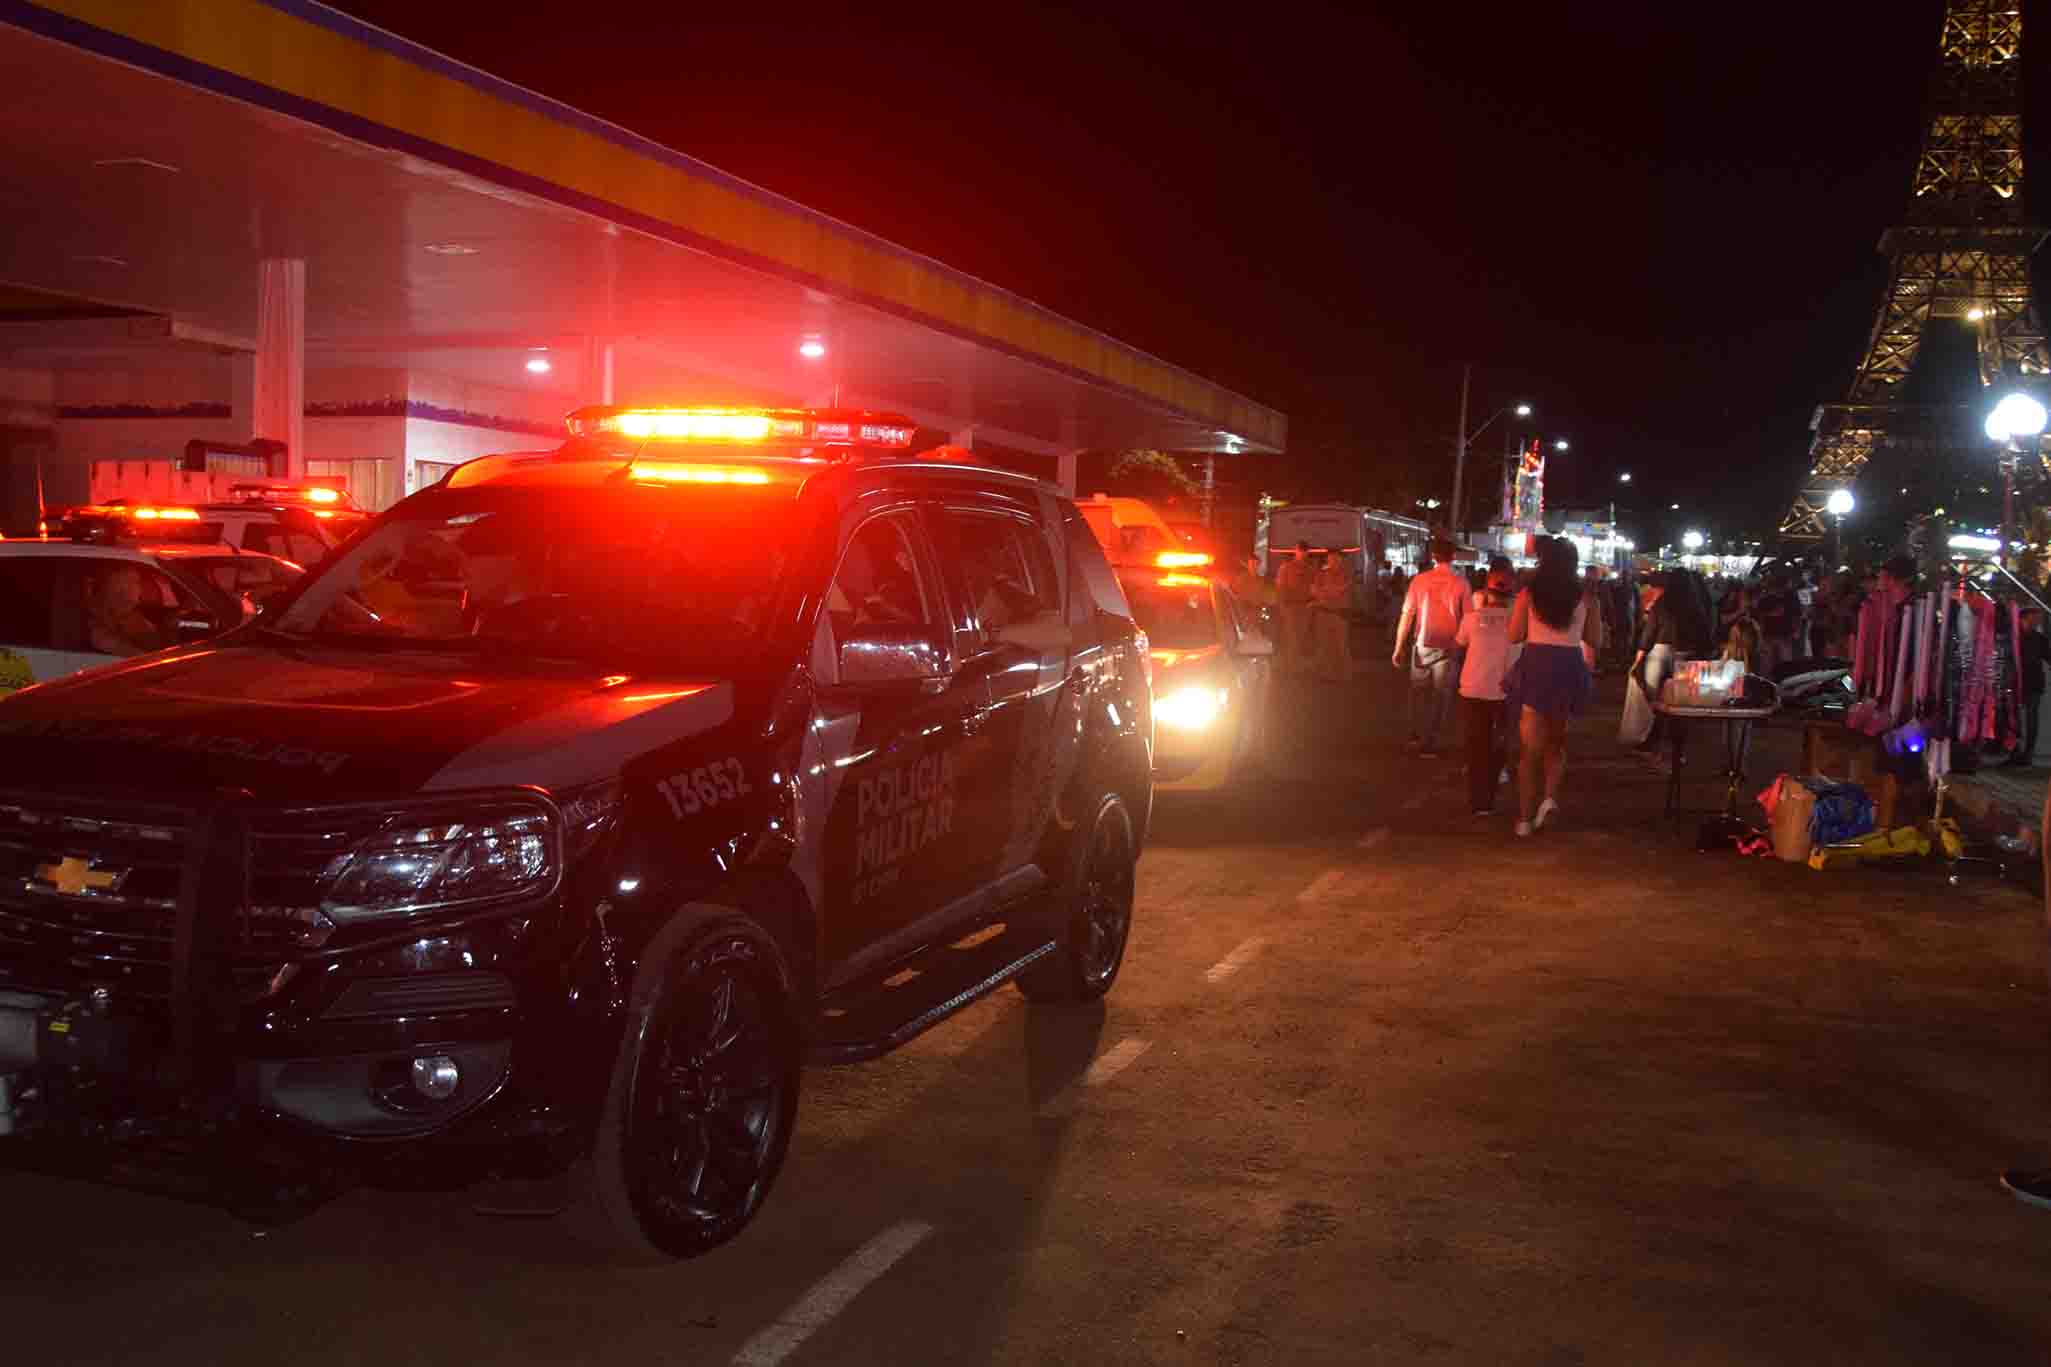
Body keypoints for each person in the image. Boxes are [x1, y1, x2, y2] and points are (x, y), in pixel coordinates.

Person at [1506, 536, 1603, 835]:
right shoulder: (1587, 598)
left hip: (1537, 665)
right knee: (1556, 742)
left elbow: (1514, 635)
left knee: (1529, 749)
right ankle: (1548, 798)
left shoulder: (1529, 595)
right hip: (1568, 667)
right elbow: (1595, 640)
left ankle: (1524, 818)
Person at [1391, 537, 1468, 757]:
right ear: (1453, 557)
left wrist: (1398, 646)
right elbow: (1469, 618)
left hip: (1422, 644)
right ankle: (1431, 741)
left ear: (1433, 556)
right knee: (1440, 696)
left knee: (1417, 693)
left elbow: (1407, 614)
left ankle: (1414, 735)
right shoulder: (1461, 583)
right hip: (1449, 646)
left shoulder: (1419, 580)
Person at [1456, 556, 1518, 815]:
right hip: (1504, 692)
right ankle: (1489, 797)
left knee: (1476, 746)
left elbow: (1459, 644)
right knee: (1498, 745)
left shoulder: (1472, 618)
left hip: (1472, 688)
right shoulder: (1517, 623)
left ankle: (1477, 800)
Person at [85, 564, 167, 656]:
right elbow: (137, 656)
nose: (140, 588)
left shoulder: (131, 615)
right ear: (121, 588)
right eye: (136, 582)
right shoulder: (97, 623)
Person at [1310, 550, 1353, 682]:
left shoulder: (1346, 575)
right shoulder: (1321, 574)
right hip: (1323, 614)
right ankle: (1326, 674)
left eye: (1336, 559)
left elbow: (1340, 591)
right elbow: (1314, 590)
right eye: (1330, 559)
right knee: (1323, 645)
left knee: (1341, 646)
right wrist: (1328, 592)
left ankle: (1346, 675)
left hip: (1339, 615)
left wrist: (1325, 593)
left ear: (1340, 561)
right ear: (1327, 560)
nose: (1333, 561)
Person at [2012, 607, 2046, 768]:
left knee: (2030, 717)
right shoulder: (2016, 636)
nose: (2038, 620)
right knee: (2016, 717)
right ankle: (2015, 750)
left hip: (2032, 683)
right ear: (2025, 617)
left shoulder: (2038, 638)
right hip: (2017, 681)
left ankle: (2027, 753)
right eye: (2035, 616)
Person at [1275, 541, 1314, 676]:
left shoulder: (1310, 569)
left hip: (1305, 607)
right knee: (1291, 638)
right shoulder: (1286, 567)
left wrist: (1312, 604)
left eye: (1305, 551)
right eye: (1300, 550)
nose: (1302, 553)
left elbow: (1313, 588)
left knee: (1301, 638)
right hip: (1290, 607)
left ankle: (1296, 666)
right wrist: (1282, 607)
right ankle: (1290, 668)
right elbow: (1280, 588)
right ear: (1295, 551)